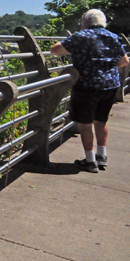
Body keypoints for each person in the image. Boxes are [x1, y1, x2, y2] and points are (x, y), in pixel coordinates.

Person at [50, 9, 129, 173]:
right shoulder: (113, 37)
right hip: (110, 85)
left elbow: (55, 50)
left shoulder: (81, 36)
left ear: (84, 22)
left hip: (87, 85)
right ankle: (102, 157)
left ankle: (90, 161)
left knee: (85, 124)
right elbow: (124, 61)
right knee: (101, 120)